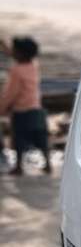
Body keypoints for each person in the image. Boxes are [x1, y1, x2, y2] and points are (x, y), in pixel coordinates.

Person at [0, 36, 51, 175]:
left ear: (20, 54)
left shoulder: (16, 71)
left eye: (15, 51)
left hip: (21, 110)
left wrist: (2, 107)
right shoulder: (33, 65)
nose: (13, 53)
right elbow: (16, 55)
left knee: (19, 140)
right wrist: (5, 46)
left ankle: (18, 167)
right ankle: (48, 164)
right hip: (36, 108)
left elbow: (11, 92)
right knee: (41, 139)